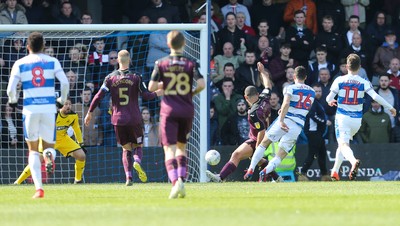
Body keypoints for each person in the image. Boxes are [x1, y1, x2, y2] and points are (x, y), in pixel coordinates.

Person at [6, 31, 69, 198]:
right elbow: (65, 82)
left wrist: (13, 101)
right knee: (49, 146)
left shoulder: (20, 63)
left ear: (27, 47)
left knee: (33, 150)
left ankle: (39, 189)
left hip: (30, 110)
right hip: (49, 109)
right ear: (44, 46)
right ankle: (49, 156)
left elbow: (10, 88)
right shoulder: (52, 61)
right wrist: (61, 101)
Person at [84, 50, 161, 186]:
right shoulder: (136, 76)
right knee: (137, 145)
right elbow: (146, 96)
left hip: (118, 119)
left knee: (125, 149)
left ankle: (128, 178)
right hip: (134, 118)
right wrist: (159, 92)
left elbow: (98, 96)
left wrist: (90, 112)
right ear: (129, 59)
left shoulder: (110, 78)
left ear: (118, 60)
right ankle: (137, 161)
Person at [147, 31, 205, 199]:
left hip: (169, 109)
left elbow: (151, 87)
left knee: (169, 149)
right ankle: (182, 179)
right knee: (181, 147)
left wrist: (165, 84)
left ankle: (175, 182)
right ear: (184, 44)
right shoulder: (191, 63)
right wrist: (191, 93)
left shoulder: (161, 63)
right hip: (186, 108)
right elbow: (201, 84)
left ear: (168, 44)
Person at [206, 62, 282, 183]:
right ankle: (277, 178)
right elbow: (268, 85)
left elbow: (261, 131)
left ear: (245, 98)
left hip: (257, 139)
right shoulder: (264, 97)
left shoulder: (253, 112)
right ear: (257, 94)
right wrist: (262, 72)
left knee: (236, 155)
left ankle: (220, 177)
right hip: (267, 136)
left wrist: (259, 148)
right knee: (258, 160)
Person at [326, 54, 396, 181]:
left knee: (343, 144)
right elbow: (375, 97)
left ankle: (353, 162)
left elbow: (329, 98)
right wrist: (390, 107)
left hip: (342, 117)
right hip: (357, 120)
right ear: (359, 67)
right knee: (342, 145)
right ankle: (335, 172)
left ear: (347, 66)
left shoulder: (339, 80)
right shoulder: (363, 82)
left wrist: (330, 101)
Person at [244, 66, 315, 180]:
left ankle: (251, 168)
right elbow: (304, 108)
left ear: (294, 76)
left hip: (286, 120)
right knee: (281, 155)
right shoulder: (312, 92)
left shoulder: (290, 88)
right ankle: (265, 171)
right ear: (305, 77)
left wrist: (281, 119)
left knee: (264, 143)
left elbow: (286, 103)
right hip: (297, 125)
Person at [14, 99, 86, 185]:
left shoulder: (73, 116)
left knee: (81, 156)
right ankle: (17, 182)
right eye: (66, 104)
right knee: (37, 160)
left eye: (70, 104)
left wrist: (81, 143)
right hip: (48, 138)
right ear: (60, 106)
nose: (68, 106)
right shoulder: (53, 115)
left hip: (63, 139)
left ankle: (78, 180)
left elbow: (76, 129)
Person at [298, 84, 330, 181]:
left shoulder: (317, 102)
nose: (318, 93)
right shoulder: (312, 102)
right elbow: (313, 116)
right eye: (316, 91)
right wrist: (324, 122)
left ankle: (324, 175)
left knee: (322, 153)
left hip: (317, 133)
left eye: (319, 91)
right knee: (312, 154)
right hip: (313, 132)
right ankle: (302, 173)